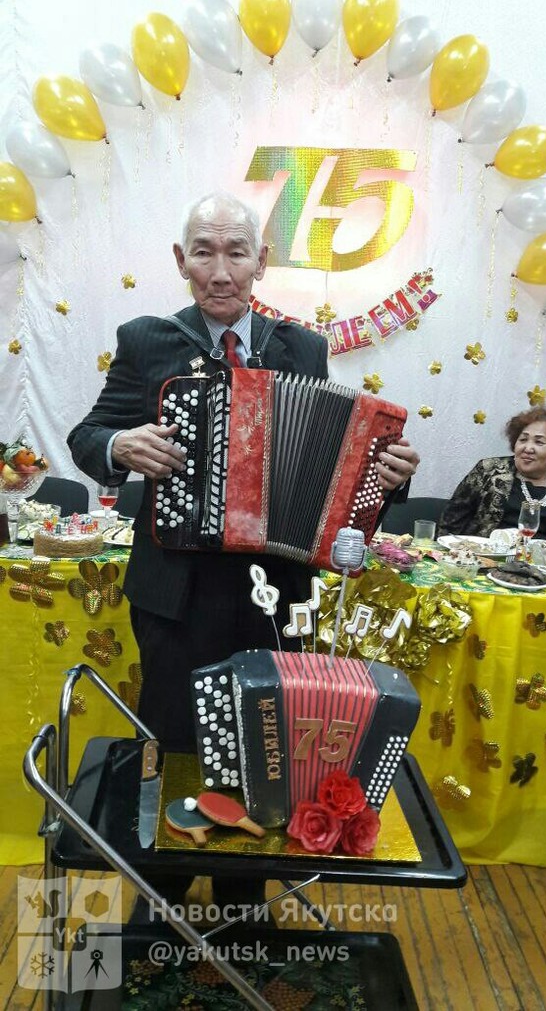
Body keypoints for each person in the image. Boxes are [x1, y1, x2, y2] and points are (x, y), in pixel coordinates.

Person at [67, 191, 419, 918]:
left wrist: (377, 482)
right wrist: (117, 446)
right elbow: (88, 434)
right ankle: (156, 906)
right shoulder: (145, 341)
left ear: (262, 261)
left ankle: (237, 912)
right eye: (204, 250)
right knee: (173, 749)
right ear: (181, 260)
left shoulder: (304, 351)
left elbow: (329, 472)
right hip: (176, 595)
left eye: (236, 251)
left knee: (265, 756)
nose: (220, 270)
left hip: (275, 596)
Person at [438, 406, 546, 541]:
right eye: (523, 439)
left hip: (545, 561)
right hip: (484, 557)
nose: (528, 448)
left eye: (539, 442)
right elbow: (451, 521)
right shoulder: (489, 470)